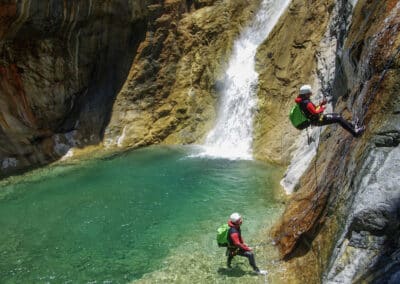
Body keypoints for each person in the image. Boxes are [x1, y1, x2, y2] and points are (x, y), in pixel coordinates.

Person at [295, 84, 365, 137]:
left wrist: (321, 104)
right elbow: (314, 112)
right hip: (318, 120)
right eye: (309, 93)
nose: (310, 95)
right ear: (306, 94)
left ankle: (352, 126)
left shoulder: (302, 102)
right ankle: (355, 133)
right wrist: (322, 108)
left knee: (337, 116)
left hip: (316, 120)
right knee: (338, 118)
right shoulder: (306, 103)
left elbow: (312, 111)